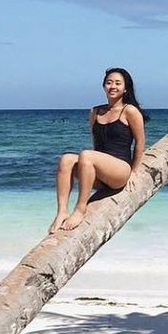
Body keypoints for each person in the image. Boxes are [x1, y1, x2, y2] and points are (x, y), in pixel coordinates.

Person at [48, 68, 147, 233]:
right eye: (109, 83)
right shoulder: (95, 112)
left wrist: (134, 172)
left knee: (86, 155)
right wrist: (91, 167)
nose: (113, 86)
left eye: (118, 83)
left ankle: (80, 209)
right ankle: (62, 212)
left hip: (120, 171)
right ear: (103, 86)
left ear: (125, 88)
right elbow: (96, 142)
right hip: (100, 173)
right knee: (66, 159)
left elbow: (140, 143)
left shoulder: (130, 111)